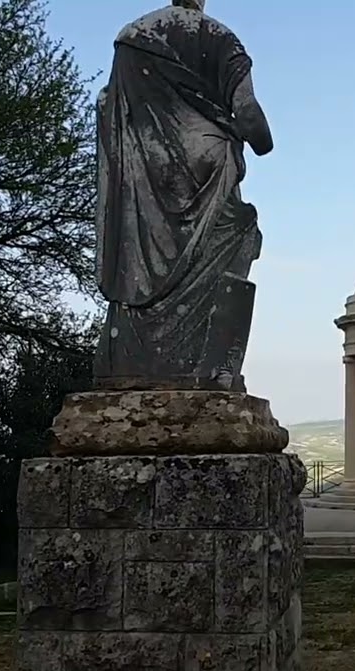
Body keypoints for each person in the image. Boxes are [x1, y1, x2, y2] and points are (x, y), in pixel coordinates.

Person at [94, 0, 273, 391]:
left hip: (146, 169)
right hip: (207, 165)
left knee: (141, 260)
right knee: (238, 239)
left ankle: (132, 367)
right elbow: (247, 112)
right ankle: (215, 370)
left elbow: (111, 106)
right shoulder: (220, 38)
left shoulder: (132, 36)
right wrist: (264, 142)